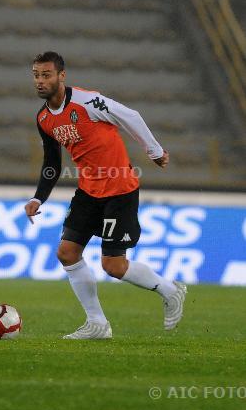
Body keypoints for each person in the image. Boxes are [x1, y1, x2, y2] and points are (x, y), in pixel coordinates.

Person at [25, 51, 187, 339]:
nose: (40, 81)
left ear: (62, 76)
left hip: (119, 188)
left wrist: (154, 150)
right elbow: (52, 162)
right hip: (88, 190)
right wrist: (39, 198)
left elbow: (129, 116)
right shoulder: (43, 119)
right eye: (36, 75)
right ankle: (97, 323)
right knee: (67, 252)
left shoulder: (87, 101)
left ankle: (170, 290)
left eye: (46, 75)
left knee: (113, 265)